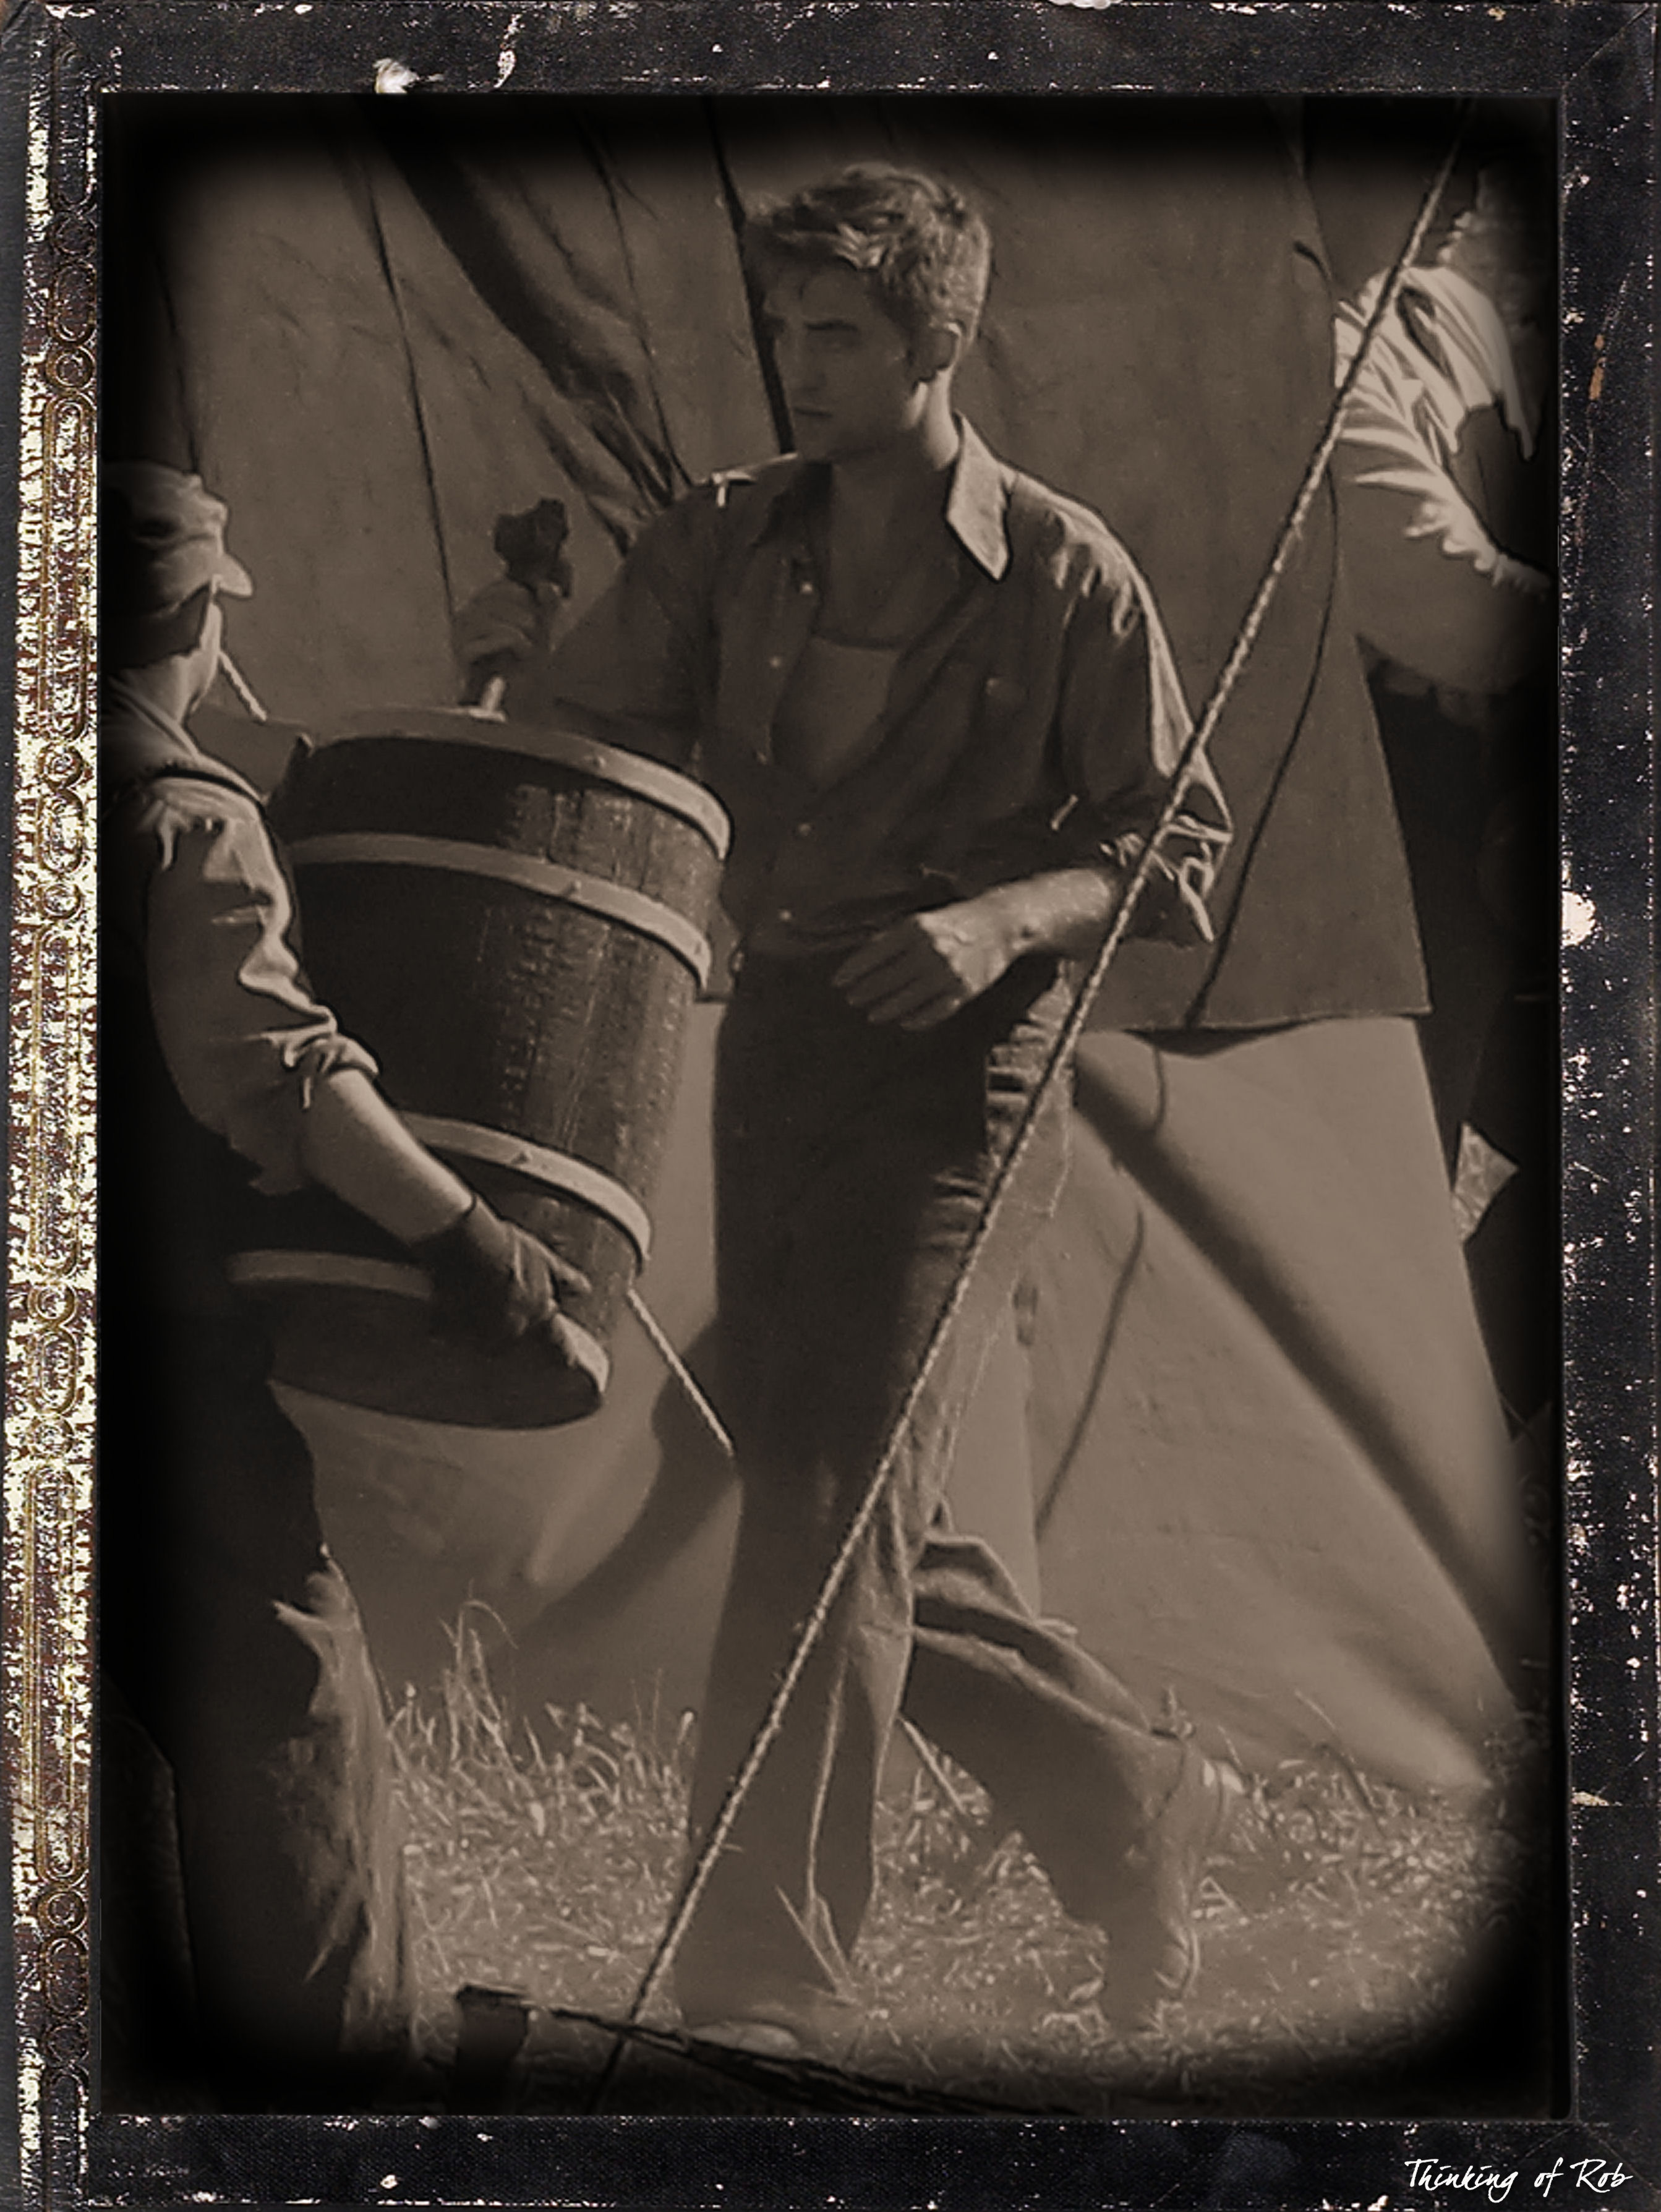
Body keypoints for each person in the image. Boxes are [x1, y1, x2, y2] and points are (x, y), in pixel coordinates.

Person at [458, 166, 1239, 2053]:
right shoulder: (727, 539)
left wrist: (999, 922)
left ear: (936, 340)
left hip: (970, 1083)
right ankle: (1138, 1790)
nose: (796, 365)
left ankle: (766, 1984)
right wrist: (510, 681)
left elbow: (1180, 849)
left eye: (839, 332)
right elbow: (599, 741)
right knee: (828, 1492)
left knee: (825, 1514)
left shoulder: (1065, 571)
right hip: (783, 1047)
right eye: (783, 328)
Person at [99, 463, 589, 2109]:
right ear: (196, 616)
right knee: (284, 1686)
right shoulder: (187, 822)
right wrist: (466, 1237)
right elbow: (280, 1076)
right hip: (140, 1349)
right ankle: (351, 2088)